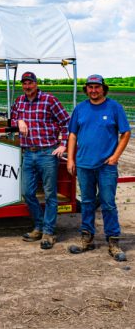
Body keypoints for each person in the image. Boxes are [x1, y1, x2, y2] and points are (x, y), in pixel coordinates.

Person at [67, 74, 131, 261]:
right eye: (90, 87)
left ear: (103, 88)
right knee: (86, 202)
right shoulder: (80, 109)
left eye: (97, 87)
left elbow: (126, 133)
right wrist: (71, 159)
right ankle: (87, 238)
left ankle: (113, 241)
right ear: (86, 89)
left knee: (108, 203)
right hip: (84, 164)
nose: (93, 90)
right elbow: (72, 135)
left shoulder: (114, 107)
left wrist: (115, 156)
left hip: (106, 166)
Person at [11, 71, 70, 249]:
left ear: (36, 84)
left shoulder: (49, 100)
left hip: (47, 153)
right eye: (24, 83)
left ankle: (48, 232)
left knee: (50, 194)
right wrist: (18, 120)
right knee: (27, 192)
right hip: (28, 153)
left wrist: (63, 145)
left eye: (30, 83)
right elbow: (12, 116)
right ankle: (38, 225)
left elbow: (66, 122)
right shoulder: (20, 101)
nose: (27, 86)